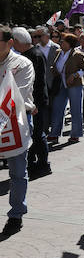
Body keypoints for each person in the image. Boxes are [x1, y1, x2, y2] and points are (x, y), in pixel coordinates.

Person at [0, 26, 36, 236]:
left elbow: (16, 96)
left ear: (10, 43)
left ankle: (16, 214)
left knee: (17, 171)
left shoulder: (22, 64)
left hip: (16, 122)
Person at [12, 28, 50, 178]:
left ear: (18, 42)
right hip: (33, 101)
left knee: (38, 134)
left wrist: (33, 104)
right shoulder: (31, 54)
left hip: (36, 102)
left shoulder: (33, 55)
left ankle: (43, 164)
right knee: (33, 134)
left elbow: (36, 83)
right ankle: (34, 163)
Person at [48, 33, 84, 143]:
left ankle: (75, 134)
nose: (61, 43)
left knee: (75, 110)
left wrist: (74, 75)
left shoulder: (77, 54)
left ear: (70, 44)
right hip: (60, 84)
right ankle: (54, 134)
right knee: (57, 109)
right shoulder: (58, 53)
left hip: (75, 85)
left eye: (63, 41)